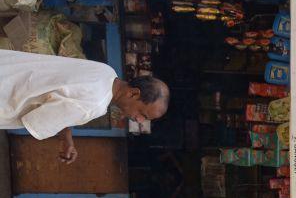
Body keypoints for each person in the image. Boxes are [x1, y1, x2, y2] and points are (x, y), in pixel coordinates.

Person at [0, 49, 170, 164]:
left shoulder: (106, 72)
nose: (139, 120)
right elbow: (37, 120)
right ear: (133, 94)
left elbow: (62, 94)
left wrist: (66, 138)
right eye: (143, 114)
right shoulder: (95, 105)